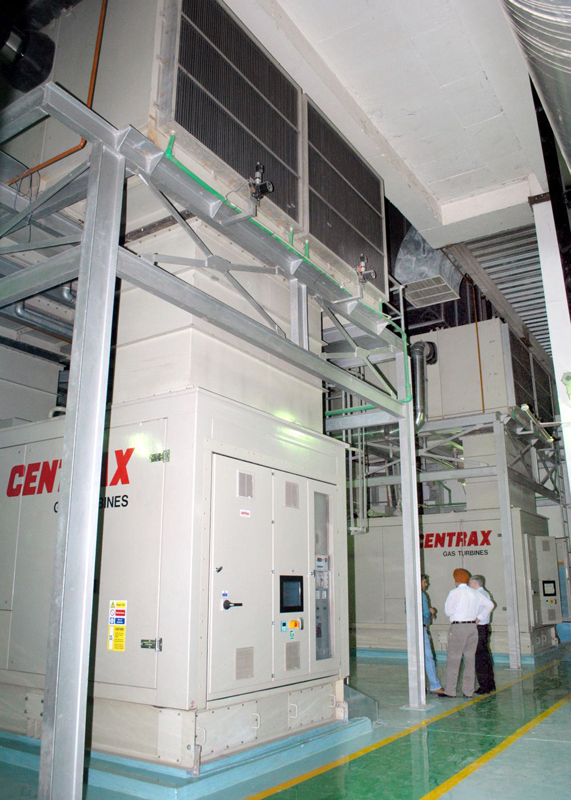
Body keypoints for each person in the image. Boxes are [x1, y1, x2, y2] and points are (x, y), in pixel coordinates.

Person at [438, 568, 494, 699]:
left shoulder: (454, 592)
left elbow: (448, 611)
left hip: (458, 627)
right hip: (472, 627)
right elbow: (490, 605)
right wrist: (479, 617)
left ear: (456, 580)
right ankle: (468, 691)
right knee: (470, 659)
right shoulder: (474, 593)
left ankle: (450, 690)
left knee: (454, 659)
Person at [469, 575, 496, 695]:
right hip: (484, 627)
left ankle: (484, 686)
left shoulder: (478, 594)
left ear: (475, 584)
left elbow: (489, 606)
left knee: (479, 658)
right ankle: (490, 684)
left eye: (470, 583)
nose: (469, 586)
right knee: (485, 657)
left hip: (479, 628)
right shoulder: (485, 593)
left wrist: (478, 618)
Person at [421, 574, 444, 695]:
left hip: (412, 628)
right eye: (425, 582)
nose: (426, 584)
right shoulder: (422, 595)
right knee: (428, 657)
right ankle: (435, 685)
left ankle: (420, 685)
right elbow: (425, 613)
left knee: (417, 658)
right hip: (420, 628)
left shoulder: (409, 595)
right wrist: (431, 612)